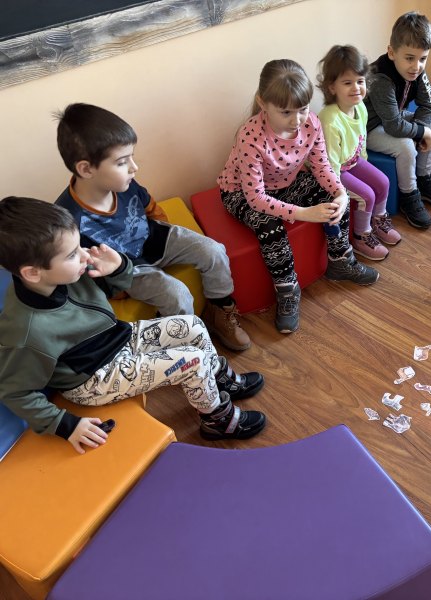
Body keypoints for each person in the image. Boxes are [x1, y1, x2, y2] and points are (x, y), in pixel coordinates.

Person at [0, 197, 267, 452]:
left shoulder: (66, 273)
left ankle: (218, 380)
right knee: (191, 362)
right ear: (32, 273)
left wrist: (117, 267)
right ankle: (217, 421)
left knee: (193, 325)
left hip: (118, 339)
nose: (84, 255)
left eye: (79, 246)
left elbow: (117, 286)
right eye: (71, 254)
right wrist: (65, 425)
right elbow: (16, 392)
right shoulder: (27, 331)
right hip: (94, 378)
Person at [54, 103, 251, 352]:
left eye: (132, 157)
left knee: (213, 250)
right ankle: (186, 342)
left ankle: (220, 310)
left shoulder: (125, 183)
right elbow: (88, 271)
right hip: (127, 269)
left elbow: (150, 207)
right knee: (176, 294)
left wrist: (169, 235)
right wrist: (119, 289)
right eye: (122, 162)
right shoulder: (69, 221)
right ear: (86, 169)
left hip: (152, 238)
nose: (134, 167)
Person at [218, 59, 379, 334]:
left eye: (302, 109)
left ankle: (341, 261)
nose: (296, 120)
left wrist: (340, 192)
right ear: (263, 103)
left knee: (330, 195)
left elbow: (321, 166)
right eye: (286, 112)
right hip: (240, 193)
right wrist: (303, 213)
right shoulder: (250, 136)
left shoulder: (311, 123)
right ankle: (287, 290)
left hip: (285, 184)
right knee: (268, 225)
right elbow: (255, 198)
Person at [364, 11, 431, 230]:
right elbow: (393, 126)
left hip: (393, 116)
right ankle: (409, 195)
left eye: (423, 59)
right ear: (392, 52)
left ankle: (424, 178)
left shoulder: (417, 72)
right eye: (409, 58)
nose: (416, 66)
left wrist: (421, 129)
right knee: (405, 146)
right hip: (370, 127)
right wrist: (419, 134)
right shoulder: (381, 78)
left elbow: (429, 104)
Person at [318, 45, 400, 261]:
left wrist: (364, 165)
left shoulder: (360, 108)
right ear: (332, 87)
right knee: (367, 195)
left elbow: (360, 142)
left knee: (383, 182)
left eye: (360, 81)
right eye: (347, 83)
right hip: (334, 171)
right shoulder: (330, 119)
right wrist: (337, 189)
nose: (356, 88)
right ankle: (361, 236)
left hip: (352, 161)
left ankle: (378, 222)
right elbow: (330, 164)